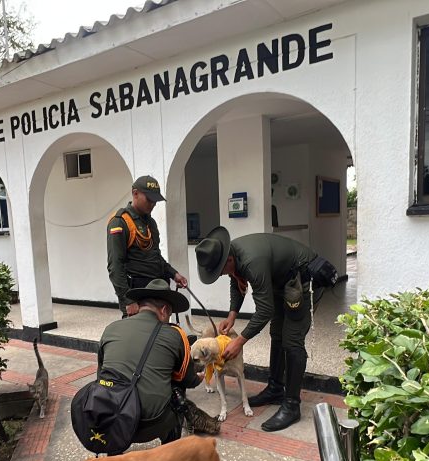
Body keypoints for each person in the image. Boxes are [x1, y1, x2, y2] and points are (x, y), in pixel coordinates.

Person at [194, 227, 316, 432]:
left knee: (292, 340)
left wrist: (239, 340)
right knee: (277, 333)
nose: (223, 275)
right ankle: (276, 389)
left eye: (221, 271)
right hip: (281, 283)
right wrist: (232, 316)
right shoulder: (232, 255)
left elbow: (265, 310)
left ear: (228, 260)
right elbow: (236, 282)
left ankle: (292, 405)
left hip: (303, 278)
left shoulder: (252, 262)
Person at [98, 278, 200, 445]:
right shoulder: (174, 334)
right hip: (149, 424)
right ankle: (169, 449)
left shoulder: (111, 328)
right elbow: (187, 379)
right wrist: (199, 378)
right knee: (178, 390)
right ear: (164, 310)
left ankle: (113, 452)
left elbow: (100, 374)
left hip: (110, 417)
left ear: (140, 306)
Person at [107, 175, 188, 317]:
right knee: (139, 335)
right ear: (135, 193)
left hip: (157, 289)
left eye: (155, 200)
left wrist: (174, 274)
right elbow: (115, 266)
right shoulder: (120, 222)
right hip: (138, 294)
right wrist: (128, 300)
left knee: (159, 334)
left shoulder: (150, 223)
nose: (153, 204)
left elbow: (155, 256)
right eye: (149, 199)